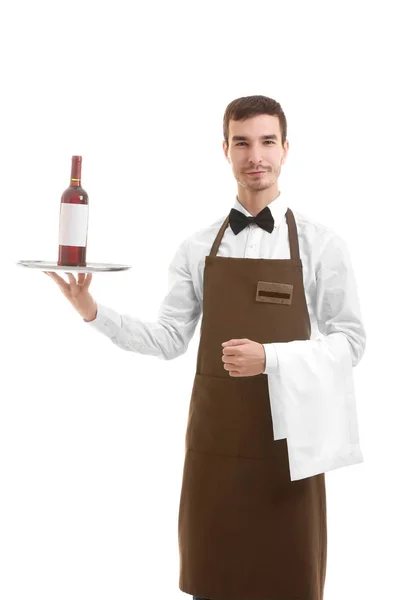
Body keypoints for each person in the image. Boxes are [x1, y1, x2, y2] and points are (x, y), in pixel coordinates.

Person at [45, 95, 366, 600]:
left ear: (286, 149)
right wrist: (92, 310)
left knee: (289, 582)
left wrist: (272, 357)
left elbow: (351, 343)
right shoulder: (197, 247)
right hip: (217, 446)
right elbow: (169, 339)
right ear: (225, 149)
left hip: (290, 448)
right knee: (213, 581)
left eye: (266, 141)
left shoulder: (323, 246)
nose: (254, 155)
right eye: (242, 142)